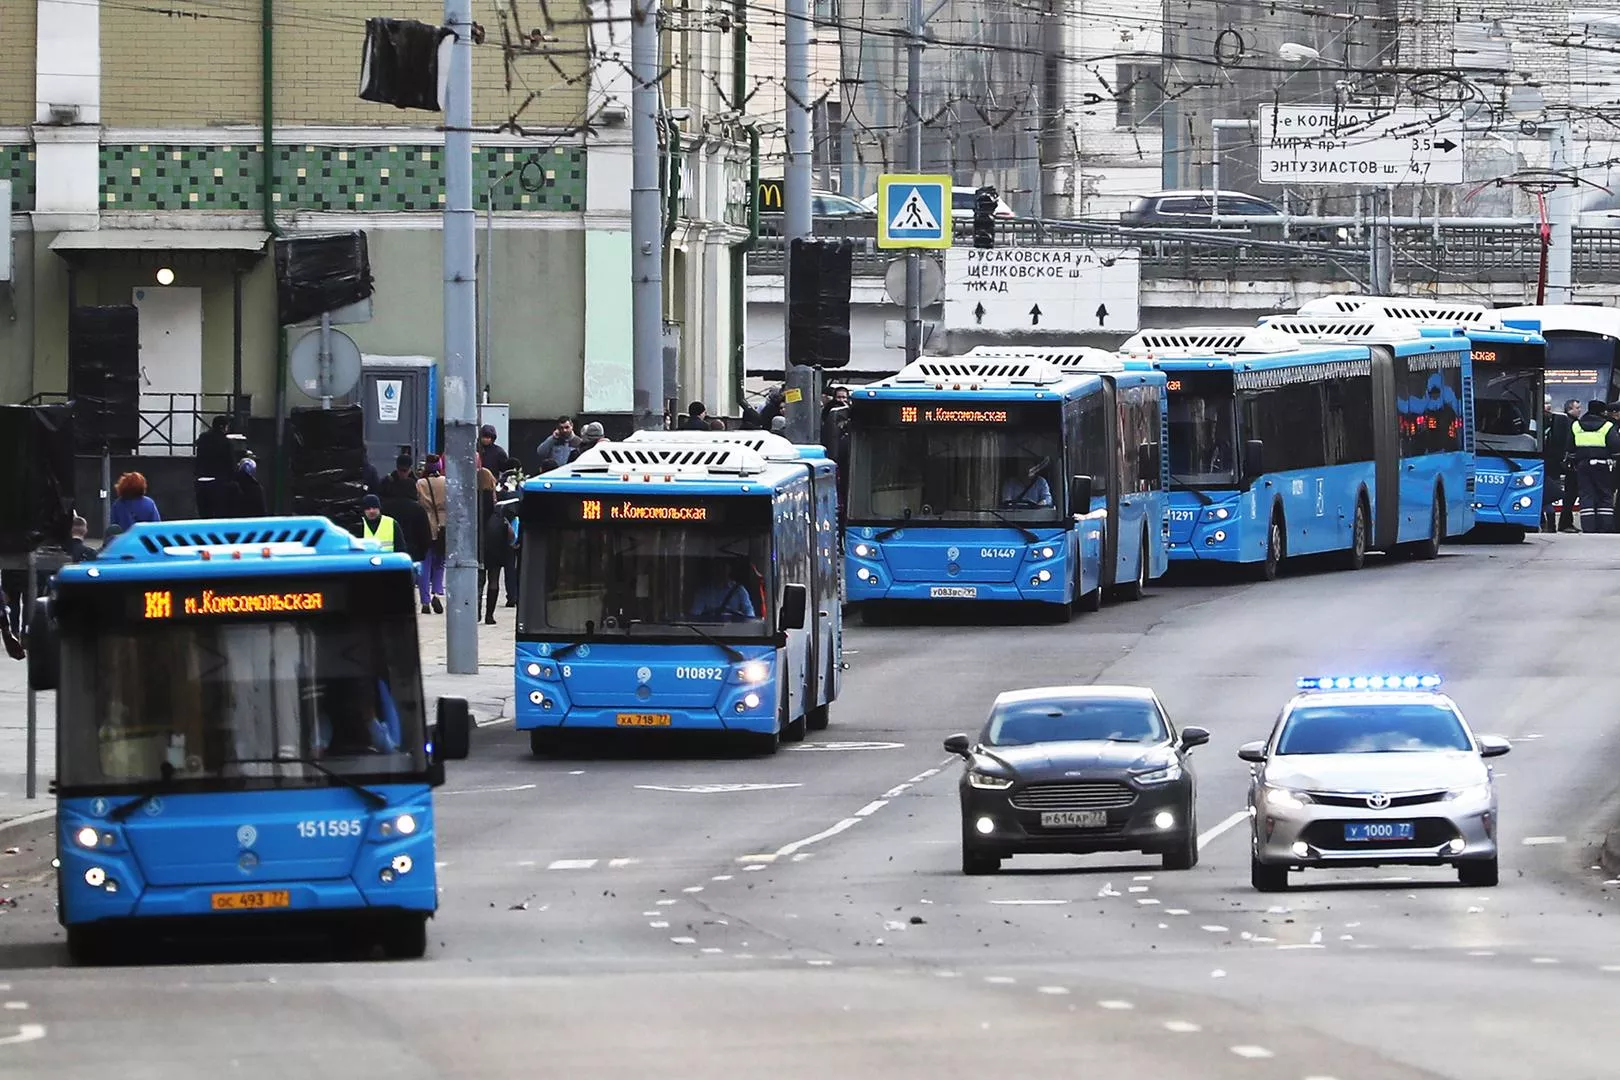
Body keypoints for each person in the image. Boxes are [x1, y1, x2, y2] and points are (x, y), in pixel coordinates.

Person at [1570, 399, 1620, 533]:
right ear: (1602, 411)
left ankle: (1588, 527)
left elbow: (1569, 447)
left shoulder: (1576, 425)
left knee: (1586, 495)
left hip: (1582, 465)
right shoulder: (1607, 426)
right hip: (1603, 465)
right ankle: (1605, 526)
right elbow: (1616, 446)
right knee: (1604, 495)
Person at [416, 454, 449, 614]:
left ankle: (425, 600)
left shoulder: (420, 483)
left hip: (426, 524)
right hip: (443, 525)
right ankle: (437, 592)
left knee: (425, 563)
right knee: (440, 563)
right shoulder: (445, 482)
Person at [1542, 394, 1574, 533]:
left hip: (1552, 465)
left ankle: (1549, 524)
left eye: (1549, 403)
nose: (1548, 406)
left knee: (1548, 496)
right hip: (1540, 464)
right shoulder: (1536, 420)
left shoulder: (1559, 420)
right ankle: (1546, 524)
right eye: (1544, 403)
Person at [193, 415, 235, 517]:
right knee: (218, 512)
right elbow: (230, 462)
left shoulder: (203, 438)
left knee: (204, 513)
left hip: (201, 480)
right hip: (218, 482)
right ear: (223, 427)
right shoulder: (225, 442)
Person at [689, 559, 756, 621]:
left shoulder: (739, 590)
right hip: (709, 631)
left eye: (724, 566)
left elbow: (749, 612)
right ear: (713, 569)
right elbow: (695, 616)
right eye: (718, 566)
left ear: (729, 569)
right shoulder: (703, 592)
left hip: (734, 630)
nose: (721, 570)